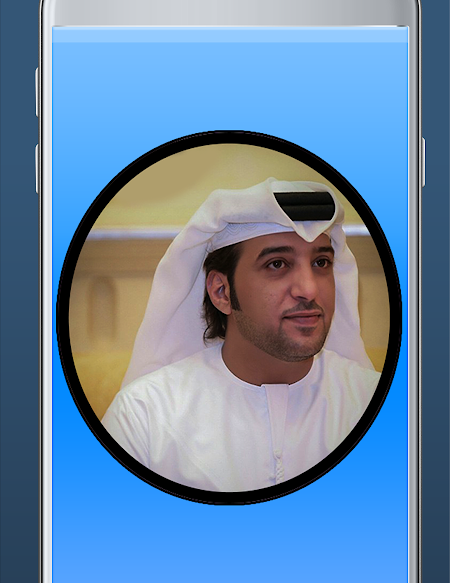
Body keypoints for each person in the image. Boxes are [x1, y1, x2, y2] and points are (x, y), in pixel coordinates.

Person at [102, 177, 380, 492]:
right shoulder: (144, 418)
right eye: (277, 264)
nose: (309, 289)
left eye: (321, 262)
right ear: (221, 291)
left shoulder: (378, 403)